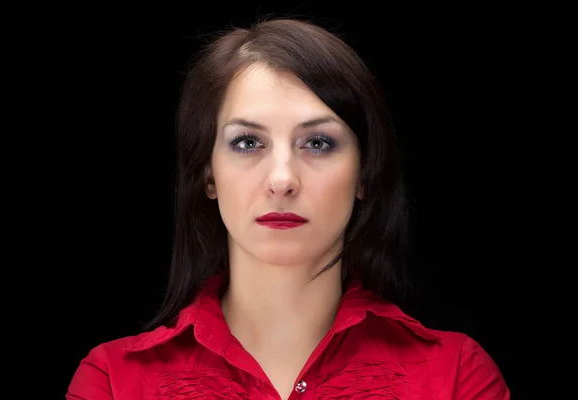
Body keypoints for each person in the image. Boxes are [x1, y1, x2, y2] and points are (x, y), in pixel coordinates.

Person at [67, 18, 510, 399]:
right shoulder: (113, 382)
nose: (282, 180)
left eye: (317, 143)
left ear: (364, 174)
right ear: (208, 174)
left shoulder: (457, 377)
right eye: (248, 143)